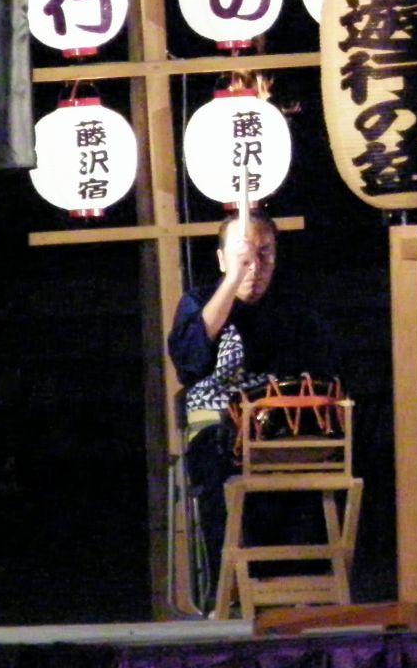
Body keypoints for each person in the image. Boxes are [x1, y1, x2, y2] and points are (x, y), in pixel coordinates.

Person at [168, 214, 338, 600]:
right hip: (220, 438)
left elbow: (324, 371)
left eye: (265, 254)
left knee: (316, 473)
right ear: (221, 259)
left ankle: (303, 595)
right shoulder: (199, 302)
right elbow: (189, 362)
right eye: (243, 255)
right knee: (219, 468)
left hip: (285, 435)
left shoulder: (295, 309)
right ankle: (228, 594)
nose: (254, 266)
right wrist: (232, 282)